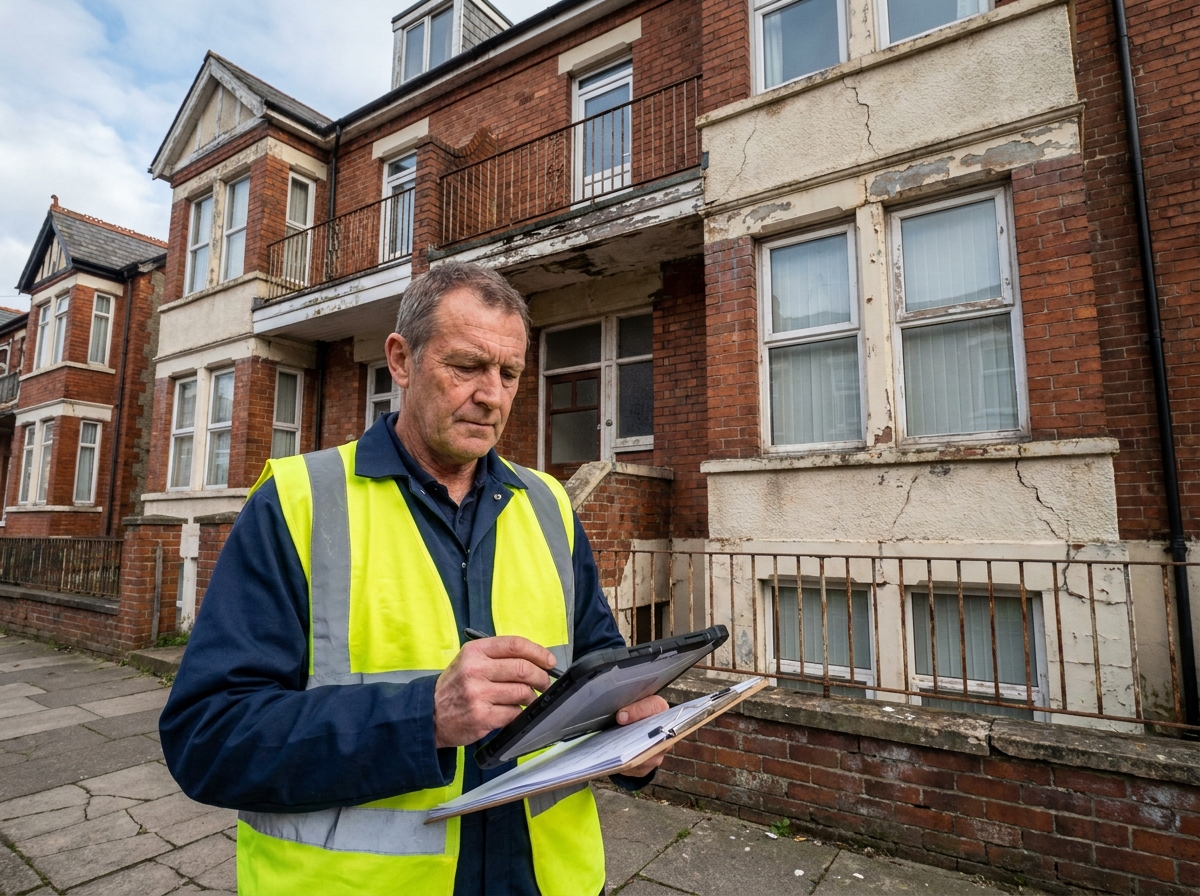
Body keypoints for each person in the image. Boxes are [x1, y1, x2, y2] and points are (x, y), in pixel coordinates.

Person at [159, 261, 667, 896]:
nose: (493, 395)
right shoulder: (298, 503)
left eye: (509, 373)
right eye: (467, 366)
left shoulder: (548, 504)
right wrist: (422, 718)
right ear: (400, 360)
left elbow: (598, 670)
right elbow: (208, 739)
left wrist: (633, 732)